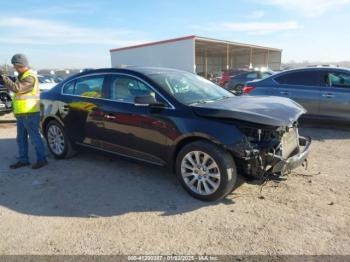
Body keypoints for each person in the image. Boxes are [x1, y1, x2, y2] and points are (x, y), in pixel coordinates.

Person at [0, 54, 48, 169]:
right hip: (21, 114)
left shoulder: (30, 77)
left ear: (20, 65)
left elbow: (17, 88)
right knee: (20, 139)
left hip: (30, 113)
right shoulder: (21, 76)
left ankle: (42, 160)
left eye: (15, 66)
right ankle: (23, 160)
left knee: (34, 138)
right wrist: (3, 78)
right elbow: (13, 87)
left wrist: (4, 76)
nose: (14, 68)